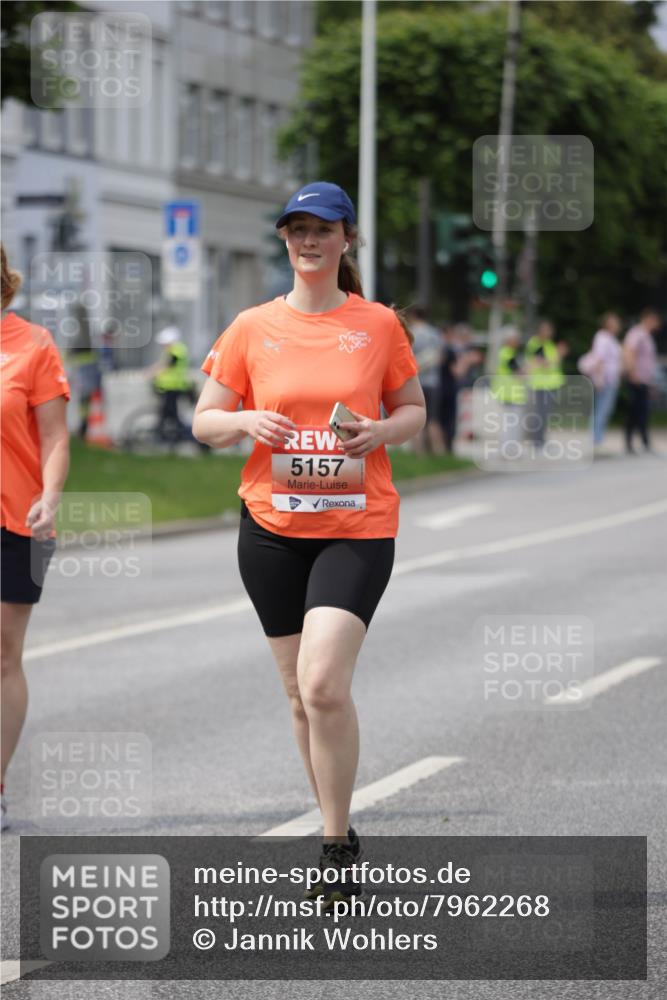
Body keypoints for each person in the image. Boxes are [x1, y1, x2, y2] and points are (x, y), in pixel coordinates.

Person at [193, 181, 425, 905]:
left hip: (356, 525)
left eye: (322, 229)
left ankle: (331, 845)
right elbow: (204, 418)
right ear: (284, 240)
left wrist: (379, 432)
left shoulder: (377, 325)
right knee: (298, 696)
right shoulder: (250, 326)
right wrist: (243, 424)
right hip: (270, 527)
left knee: (324, 684)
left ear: (346, 239)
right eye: (296, 229)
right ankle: (339, 826)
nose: (308, 241)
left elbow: (411, 409)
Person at [0, 244, 70, 831]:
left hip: (17, 519)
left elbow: (54, 437)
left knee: (2, 652)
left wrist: (50, 495)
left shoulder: (32, 346)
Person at [577, 312, 623, 447]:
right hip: (605, 380)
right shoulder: (603, 337)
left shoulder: (610, 338)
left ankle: (597, 437)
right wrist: (598, 380)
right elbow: (599, 360)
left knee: (603, 409)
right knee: (601, 409)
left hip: (610, 379)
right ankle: (596, 439)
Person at [406, 305, 445, 455]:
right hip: (434, 382)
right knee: (434, 420)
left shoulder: (411, 333)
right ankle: (439, 452)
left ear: (413, 316)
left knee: (417, 421)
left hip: (416, 382)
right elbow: (440, 357)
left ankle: (419, 454)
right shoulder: (435, 334)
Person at [622, 308, 661, 454]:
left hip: (645, 380)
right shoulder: (637, 333)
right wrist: (633, 373)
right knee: (636, 411)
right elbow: (628, 351)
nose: (657, 324)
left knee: (641, 411)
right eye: (655, 320)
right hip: (637, 379)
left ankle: (642, 442)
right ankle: (633, 442)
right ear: (648, 319)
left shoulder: (647, 335)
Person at [149, 325, 194, 442]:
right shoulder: (173, 350)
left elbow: (166, 365)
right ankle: (163, 435)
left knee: (172, 415)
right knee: (166, 414)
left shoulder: (176, 350)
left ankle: (188, 436)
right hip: (168, 387)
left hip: (173, 388)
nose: (163, 345)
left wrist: (150, 372)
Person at [524, 319, 564, 448]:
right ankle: (537, 441)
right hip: (541, 384)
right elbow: (541, 362)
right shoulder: (536, 344)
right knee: (540, 413)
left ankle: (541, 440)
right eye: (546, 330)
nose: (548, 333)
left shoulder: (548, 344)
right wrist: (558, 355)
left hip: (550, 383)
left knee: (544, 413)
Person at [491, 329, 526, 451]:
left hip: (511, 393)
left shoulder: (509, 353)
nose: (518, 341)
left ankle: (510, 448)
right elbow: (519, 373)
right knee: (511, 423)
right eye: (516, 339)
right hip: (509, 394)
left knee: (511, 423)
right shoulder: (507, 353)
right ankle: (508, 448)